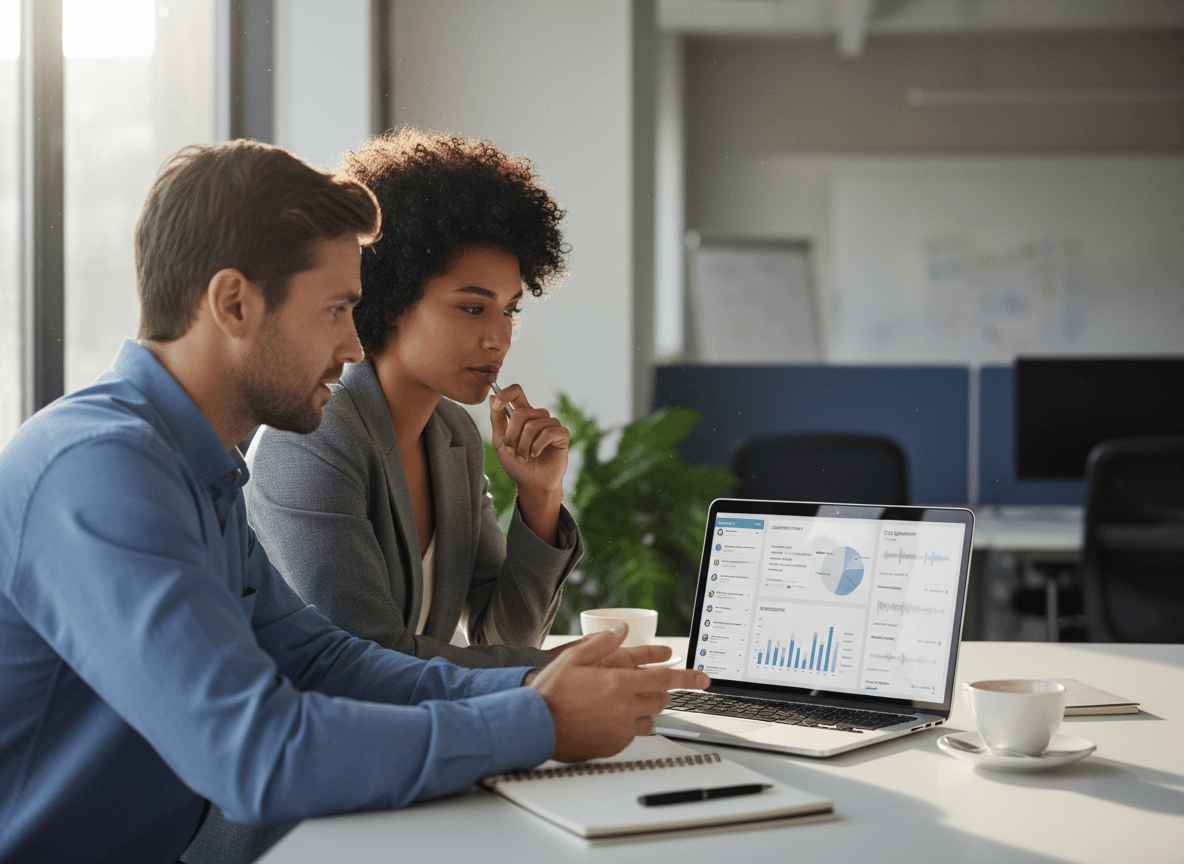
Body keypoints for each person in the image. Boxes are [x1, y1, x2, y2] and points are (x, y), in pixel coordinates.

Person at [0, 139, 709, 864]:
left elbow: (321, 658)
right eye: (337, 309)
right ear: (234, 303)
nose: (351, 342)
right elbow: (256, 753)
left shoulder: (194, 468)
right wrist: (535, 721)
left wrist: (537, 682)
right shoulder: (99, 469)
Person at [244, 128, 580, 670]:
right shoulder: (312, 436)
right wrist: (555, 670)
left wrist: (541, 497)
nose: (499, 337)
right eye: (473, 308)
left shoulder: (454, 437)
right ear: (392, 296)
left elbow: (503, 636)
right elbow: (366, 658)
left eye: (509, 309)